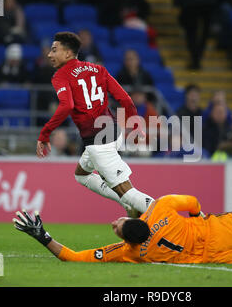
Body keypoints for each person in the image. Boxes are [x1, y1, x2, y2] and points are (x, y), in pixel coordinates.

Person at [13, 170, 232, 264]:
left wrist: (43, 237)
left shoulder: (136, 253)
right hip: (220, 228)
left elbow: (74, 257)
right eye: (118, 223)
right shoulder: (161, 208)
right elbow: (194, 201)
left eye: (116, 225)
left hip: (217, 256)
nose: (114, 223)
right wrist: (201, 214)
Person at [37, 31, 155, 218]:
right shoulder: (98, 69)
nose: (49, 54)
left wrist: (44, 134)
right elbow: (124, 98)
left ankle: (167, 216)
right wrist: (134, 120)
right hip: (114, 131)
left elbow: (67, 106)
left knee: (128, 191)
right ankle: (128, 203)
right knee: (81, 175)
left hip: (99, 142)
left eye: (54, 50)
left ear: (68, 53)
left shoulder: (60, 75)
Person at [173, 0, 219, 69]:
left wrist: (177, 1)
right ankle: (197, 56)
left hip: (191, 0)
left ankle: (195, 57)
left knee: (191, 32)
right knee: (203, 32)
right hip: (208, 0)